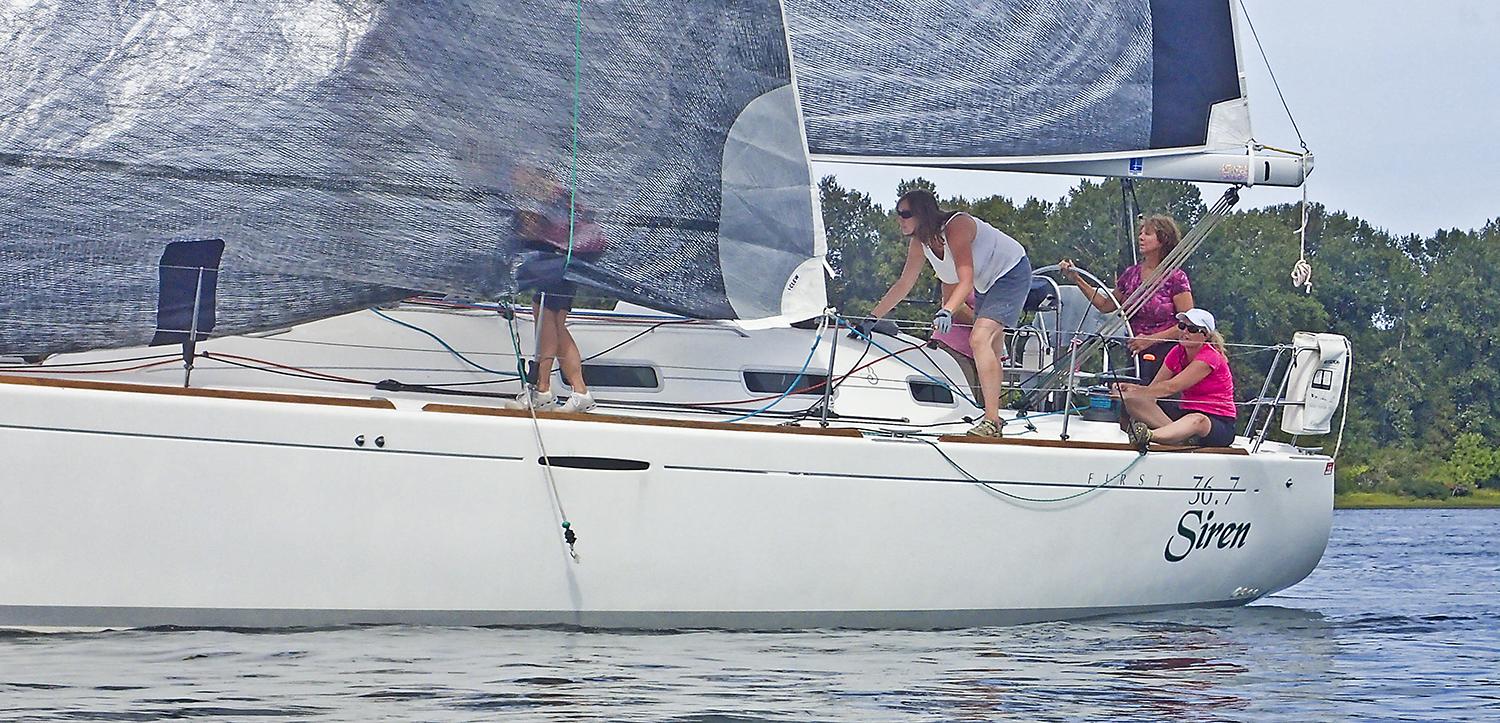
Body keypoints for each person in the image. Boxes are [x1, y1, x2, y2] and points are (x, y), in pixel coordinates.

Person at [858, 189, 1031, 437]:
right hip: (986, 281)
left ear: (922, 213)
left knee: (979, 339)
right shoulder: (920, 243)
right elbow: (904, 284)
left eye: (904, 213)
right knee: (990, 346)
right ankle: (994, 415)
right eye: (898, 213)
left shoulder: (956, 226)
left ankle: (992, 421)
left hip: (1010, 272)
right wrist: (871, 319)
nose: (899, 219)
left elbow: (966, 280)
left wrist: (947, 311)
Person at [507, 167, 602, 414]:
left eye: (521, 172)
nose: (516, 176)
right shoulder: (557, 200)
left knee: (547, 321)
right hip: (562, 261)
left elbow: (531, 230)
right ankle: (579, 392)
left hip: (560, 261)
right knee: (552, 323)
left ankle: (544, 389)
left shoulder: (553, 201)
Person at [1058, 215, 1193, 383]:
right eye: (1141, 233)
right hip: (1135, 353)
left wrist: (1150, 339)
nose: (1141, 237)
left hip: (1167, 355)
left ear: (1163, 239)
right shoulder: (1131, 274)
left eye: (1148, 233)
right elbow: (1106, 305)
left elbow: (1188, 323)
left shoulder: (1175, 278)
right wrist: (1077, 279)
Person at [1116, 308, 1237, 449]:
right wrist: (1130, 391)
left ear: (1206, 336)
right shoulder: (1177, 352)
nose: (1185, 332)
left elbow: (1171, 387)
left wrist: (1134, 392)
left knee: (1197, 419)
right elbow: (1154, 389)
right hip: (1185, 413)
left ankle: (1149, 435)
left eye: (1192, 329)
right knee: (1134, 400)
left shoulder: (1210, 357)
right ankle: (1178, 438)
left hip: (1217, 422)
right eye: (1182, 326)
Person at [927, 291, 983, 403]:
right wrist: (989, 323)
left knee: (983, 403)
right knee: (965, 400)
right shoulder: (960, 275)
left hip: (982, 350)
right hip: (953, 347)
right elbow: (951, 302)